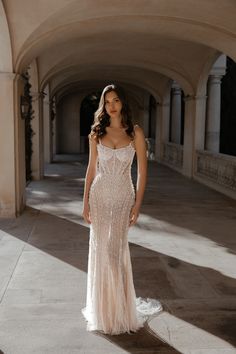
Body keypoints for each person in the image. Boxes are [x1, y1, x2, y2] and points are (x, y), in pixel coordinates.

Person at [81, 84, 162, 335]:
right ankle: (104, 312)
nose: (112, 105)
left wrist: (137, 204)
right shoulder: (96, 132)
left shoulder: (135, 132)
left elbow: (143, 172)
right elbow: (91, 170)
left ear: (122, 103)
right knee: (102, 251)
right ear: (103, 106)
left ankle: (120, 312)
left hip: (123, 197)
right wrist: (84, 202)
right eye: (107, 102)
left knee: (114, 252)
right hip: (100, 196)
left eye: (115, 100)